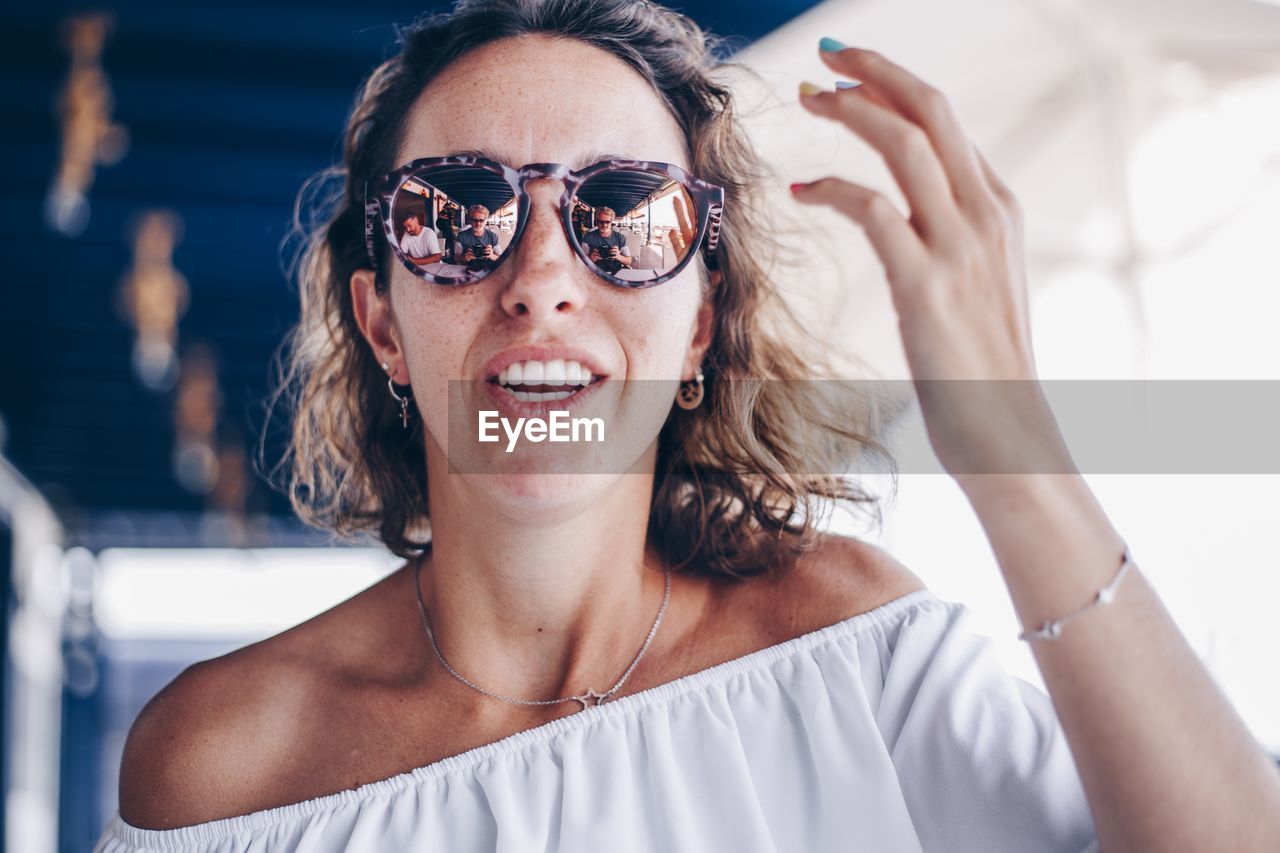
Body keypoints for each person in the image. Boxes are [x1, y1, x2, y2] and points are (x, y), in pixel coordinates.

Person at [97, 1, 1280, 851]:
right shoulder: (224, 767)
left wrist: (1015, 467)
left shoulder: (851, 657)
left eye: (622, 213)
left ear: (702, 319)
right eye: (458, 215)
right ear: (383, 324)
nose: (543, 277)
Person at [581, 205, 633, 274]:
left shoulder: (620, 238)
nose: (604, 225)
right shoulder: (588, 237)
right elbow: (581, 260)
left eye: (607, 222)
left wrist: (618, 256)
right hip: (595, 271)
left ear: (611, 222)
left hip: (615, 271)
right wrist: (591, 258)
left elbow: (629, 260)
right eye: (601, 221)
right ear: (596, 221)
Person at [455, 203, 501, 269]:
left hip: (487, 269)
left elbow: (502, 258)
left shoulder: (493, 236)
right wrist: (464, 258)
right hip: (467, 269)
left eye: (481, 220)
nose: (478, 223)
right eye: (474, 220)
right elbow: (456, 257)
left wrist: (492, 255)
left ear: (485, 221)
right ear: (470, 220)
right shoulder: (461, 236)